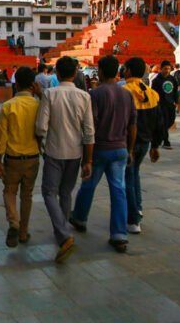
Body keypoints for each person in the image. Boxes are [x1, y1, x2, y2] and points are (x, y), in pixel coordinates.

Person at [68, 55, 135, 253]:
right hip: (120, 148)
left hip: (100, 149)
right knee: (118, 190)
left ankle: (79, 217)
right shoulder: (126, 95)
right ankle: (119, 234)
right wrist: (130, 149)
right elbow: (133, 124)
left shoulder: (95, 94)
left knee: (89, 184)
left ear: (101, 72)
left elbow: (91, 127)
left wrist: (86, 157)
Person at [35, 57, 95, 263]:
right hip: (76, 152)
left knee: (49, 192)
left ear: (57, 74)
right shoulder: (84, 96)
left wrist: (39, 142)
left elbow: (41, 127)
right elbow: (89, 132)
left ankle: (63, 233)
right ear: (75, 73)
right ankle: (62, 229)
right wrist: (88, 160)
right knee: (65, 192)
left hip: (54, 150)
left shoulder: (50, 94)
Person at [0, 67, 42, 248]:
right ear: (33, 85)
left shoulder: (8, 106)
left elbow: (1, 137)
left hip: (12, 158)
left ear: (17, 84)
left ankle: (13, 222)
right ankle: (23, 232)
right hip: (32, 157)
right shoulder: (38, 105)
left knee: (9, 191)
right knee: (27, 195)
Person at [122, 57, 165, 234]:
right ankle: (138, 207)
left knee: (128, 179)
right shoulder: (151, 93)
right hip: (146, 142)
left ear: (129, 71)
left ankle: (133, 219)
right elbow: (159, 122)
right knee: (134, 175)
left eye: (125, 69)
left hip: (130, 144)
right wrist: (155, 145)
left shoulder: (125, 92)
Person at [151, 61, 179, 149]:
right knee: (165, 122)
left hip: (171, 104)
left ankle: (158, 134)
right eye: (165, 69)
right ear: (161, 69)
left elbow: (175, 91)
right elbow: (153, 93)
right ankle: (166, 141)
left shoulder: (172, 79)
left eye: (169, 69)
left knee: (170, 121)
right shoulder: (156, 80)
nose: (167, 71)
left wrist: (176, 101)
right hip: (161, 105)